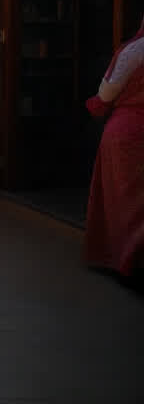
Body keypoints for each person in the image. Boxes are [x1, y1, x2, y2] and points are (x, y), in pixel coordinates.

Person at [83, 15, 144, 277]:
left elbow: (107, 93)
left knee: (123, 205)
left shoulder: (135, 51)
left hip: (128, 137)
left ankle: (122, 261)